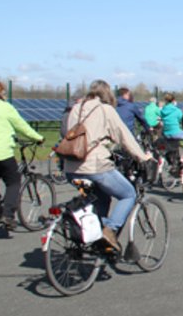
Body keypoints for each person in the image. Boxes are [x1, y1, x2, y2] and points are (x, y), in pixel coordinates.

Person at [62, 80, 151, 249]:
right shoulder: (105, 109)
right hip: (95, 166)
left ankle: (97, 238)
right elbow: (124, 136)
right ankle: (109, 231)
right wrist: (142, 156)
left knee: (102, 197)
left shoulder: (76, 108)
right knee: (128, 195)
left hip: (71, 166)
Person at [0, 81, 45, 232]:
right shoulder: (6, 108)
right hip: (0, 154)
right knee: (13, 181)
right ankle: (7, 216)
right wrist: (39, 138)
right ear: (2, 93)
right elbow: (22, 126)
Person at [159, 93, 183, 172]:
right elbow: (182, 120)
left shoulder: (163, 110)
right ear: (173, 101)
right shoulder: (177, 111)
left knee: (171, 146)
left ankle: (172, 160)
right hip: (176, 133)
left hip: (166, 134)